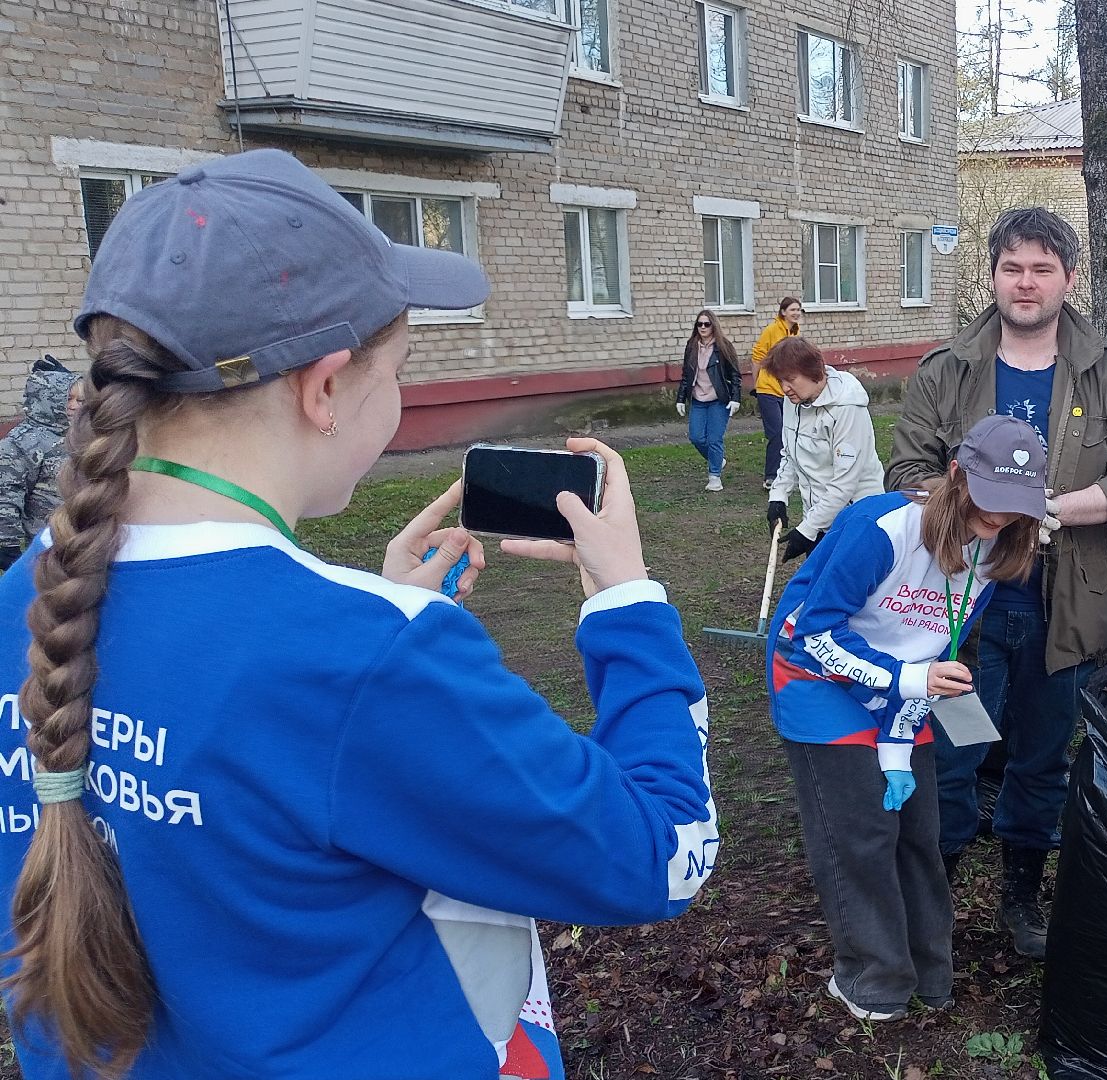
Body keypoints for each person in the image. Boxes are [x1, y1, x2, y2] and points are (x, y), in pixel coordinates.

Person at [0, 149, 719, 1080]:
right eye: (401, 368)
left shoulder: (27, 593)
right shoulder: (370, 657)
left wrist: (368, 620)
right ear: (325, 387)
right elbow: (657, 856)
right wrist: (626, 602)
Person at [887, 207, 1107, 959]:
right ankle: (935, 896)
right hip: (962, 607)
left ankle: (1022, 889)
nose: (1025, 282)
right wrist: (973, 513)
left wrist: (1056, 509)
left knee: (1043, 757)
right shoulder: (946, 369)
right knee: (950, 753)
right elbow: (903, 470)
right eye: (1012, 267)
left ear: (1068, 279)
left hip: (1066, 603)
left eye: (1042, 268)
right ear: (992, 275)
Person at [767, 415, 1045, 1021]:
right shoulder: (880, 527)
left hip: (903, 689)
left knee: (917, 830)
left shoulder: (999, 547)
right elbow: (811, 634)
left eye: (1014, 508)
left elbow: (936, 638)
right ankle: (875, 982)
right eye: (988, 500)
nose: (997, 520)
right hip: (817, 678)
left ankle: (930, 973)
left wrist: (914, 692)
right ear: (955, 475)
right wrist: (907, 679)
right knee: (861, 835)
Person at [763, 337, 883, 562]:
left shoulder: (847, 408)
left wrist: (807, 530)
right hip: (819, 517)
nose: (784, 388)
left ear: (813, 372)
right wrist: (778, 496)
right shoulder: (795, 400)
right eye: (780, 381)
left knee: (847, 592)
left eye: (790, 380)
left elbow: (844, 483)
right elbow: (790, 454)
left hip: (854, 518)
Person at [0, 355, 84, 571]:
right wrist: (8, 547)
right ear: (49, 399)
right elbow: (7, 496)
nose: (74, 406)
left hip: (83, 539)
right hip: (45, 547)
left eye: (79, 400)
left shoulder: (78, 435)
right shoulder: (22, 443)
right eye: (67, 398)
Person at [675, 308, 743, 492]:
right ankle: (718, 460)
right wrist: (681, 399)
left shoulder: (723, 347)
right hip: (698, 399)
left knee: (714, 439)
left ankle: (714, 477)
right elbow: (686, 375)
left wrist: (735, 398)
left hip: (718, 400)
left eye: (707, 324)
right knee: (697, 437)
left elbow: (735, 375)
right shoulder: (691, 346)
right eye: (699, 324)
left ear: (713, 326)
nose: (703, 327)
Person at [750, 297, 804, 489]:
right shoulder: (773, 330)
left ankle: (790, 473)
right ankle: (771, 476)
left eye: (798, 310)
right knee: (777, 433)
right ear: (783, 312)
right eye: (792, 310)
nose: (796, 313)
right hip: (768, 390)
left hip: (787, 392)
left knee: (790, 431)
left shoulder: (794, 334)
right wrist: (757, 383)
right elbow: (757, 355)